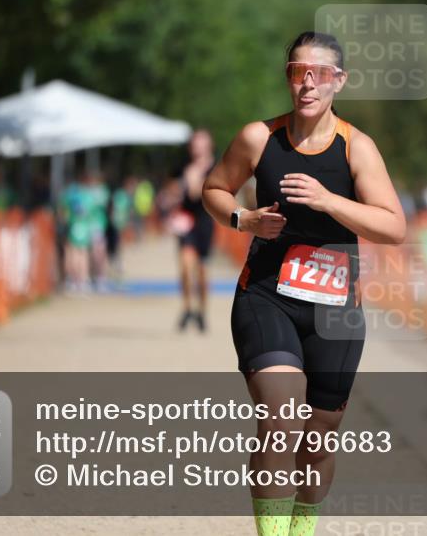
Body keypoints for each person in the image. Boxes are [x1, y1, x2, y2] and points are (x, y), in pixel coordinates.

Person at [202, 31, 405, 536]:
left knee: (318, 439)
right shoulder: (259, 138)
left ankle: (301, 530)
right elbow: (214, 189)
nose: (308, 83)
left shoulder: (357, 148)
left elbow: (393, 226)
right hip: (266, 295)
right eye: (299, 72)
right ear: (288, 78)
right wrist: (244, 220)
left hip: (335, 310)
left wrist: (328, 201)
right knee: (280, 416)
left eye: (320, 74)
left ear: (340, 81)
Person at [173, 129, 216, 332]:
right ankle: (187, 308)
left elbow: (201, 193)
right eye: (194, 144)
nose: (197, 148)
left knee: (202, 272)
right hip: (186, 222)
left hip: (205, 222)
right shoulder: (184, 167)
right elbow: (176, 192)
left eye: (201, 143)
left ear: (209, 146)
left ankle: (202, 311)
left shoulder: (216, 168)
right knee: (184, 265)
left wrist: (196, 179)